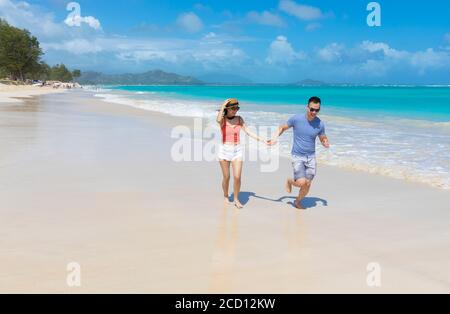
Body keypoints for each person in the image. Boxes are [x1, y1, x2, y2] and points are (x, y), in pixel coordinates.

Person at [269, 96, 330, 209]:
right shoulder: (296, 119)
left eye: (317, 110)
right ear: (307, 107)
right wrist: (274, 138)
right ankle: (290, 181)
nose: (314, 112)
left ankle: (297, 201)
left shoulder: (320, 124)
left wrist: (325, 141)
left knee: (308, 184)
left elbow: (322, 136)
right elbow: (282, 127)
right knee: (302, 182)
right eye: (312, 109)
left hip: (311, 157)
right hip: (297, 156)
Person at [217, 98, 270, 209]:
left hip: (237, 150)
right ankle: (226, 195)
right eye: (233, 108)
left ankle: (236, 199)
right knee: (226, 177)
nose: (236, 110)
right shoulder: (223, 120)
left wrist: (263, 140)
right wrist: (223, 105)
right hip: (224, 150)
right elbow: (218, 120)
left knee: (237, 177)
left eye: (237, 108)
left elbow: (249, 132)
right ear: (227, 109)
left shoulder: (239, 119)